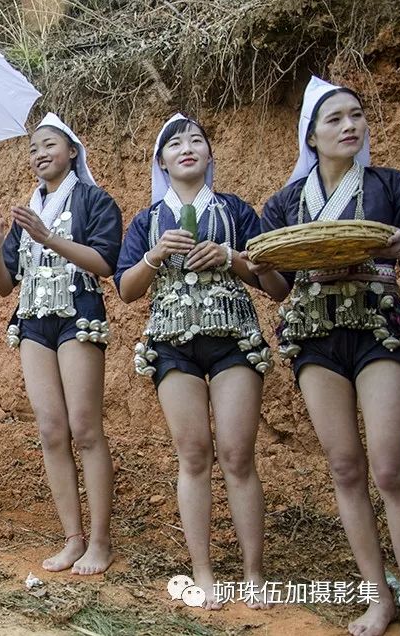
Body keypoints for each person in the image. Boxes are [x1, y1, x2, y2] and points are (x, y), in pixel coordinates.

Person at [255, 76, 400, 635]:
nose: (350, 126)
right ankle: (379, 595)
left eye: (357, 115)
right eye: (335, 119)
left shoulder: (392, 186)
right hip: (315, 335)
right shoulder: (286, 202)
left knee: (391, 467)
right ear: (312, 137)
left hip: (379, 327)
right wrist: (253, 264)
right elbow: (278, 285)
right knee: (346, 467)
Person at [114, 114, 284, 609]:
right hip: (170, 342)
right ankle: (203, 571)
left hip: (233, 338)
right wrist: (153, 257)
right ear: (161, 162)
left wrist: (231, 257)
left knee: (237, 455)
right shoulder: (148, 220)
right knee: (192, 455)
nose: (187, 147)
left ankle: (253, 572)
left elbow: (276, 284)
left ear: (209, 155)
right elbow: (125, 290)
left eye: (197, 140)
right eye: (175, 143)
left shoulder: (234, 211)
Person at [0, 113, 121, 574]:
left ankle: (101, 540)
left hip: (78, 311)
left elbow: (103, 265)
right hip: (34, 319)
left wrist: (48, 237)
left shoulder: (95, 201)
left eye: (49, 144)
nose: (39, 153)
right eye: (33, 147)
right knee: (51, 430)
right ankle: (72, 536)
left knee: (85, 427)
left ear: (73, 151)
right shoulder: (26, 210)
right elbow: (5, 286)